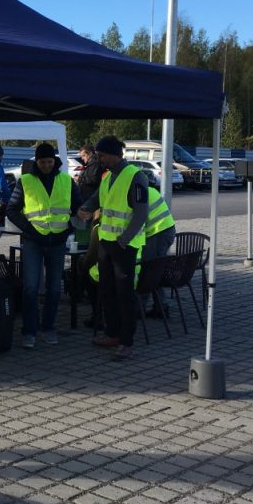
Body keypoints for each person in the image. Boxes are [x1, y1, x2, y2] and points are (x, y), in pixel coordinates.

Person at [7, 142, 87, 348]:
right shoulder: (25, 181)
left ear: (55, 161)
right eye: (42, 162)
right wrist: (28, 229)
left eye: (49, 162)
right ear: (37, 161)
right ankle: (29, 331)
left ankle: (49, 328)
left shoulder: (67, 180)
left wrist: (70, 227)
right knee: (31, 288)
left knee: (53, 288)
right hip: (34, 240)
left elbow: (79, 207)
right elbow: (12, 209)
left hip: (58, 241)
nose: (46, 166)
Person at [82, 135, 150, 361]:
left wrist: (124, 239)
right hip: (106, 242)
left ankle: (126, 342)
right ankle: (111, 333)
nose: (98, 159)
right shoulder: (107, 176)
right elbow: (97, 199)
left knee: (124, 294)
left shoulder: (135, 176)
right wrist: (85, 208)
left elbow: (141, 213)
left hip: (123, 246)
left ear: (114, 155)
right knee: (107, 289)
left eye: (101, 155)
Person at [141, 186, 176, 317]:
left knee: (149, 270)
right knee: (155, 269)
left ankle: (141, 308)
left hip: (157, 233)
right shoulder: (149, 189)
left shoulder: (139, 193)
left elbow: (137, 218)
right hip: (165, 230)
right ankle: (160, 307)